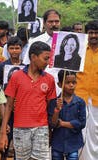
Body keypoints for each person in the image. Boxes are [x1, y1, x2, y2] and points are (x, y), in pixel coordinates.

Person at [0, 41, 57, 160]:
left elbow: (48, 106)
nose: (47, 62)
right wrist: (3, 133)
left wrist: (49, 130)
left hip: (42, 128)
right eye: (45, 58)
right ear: (33, 57)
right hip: (20, 128)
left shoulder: (49, 79)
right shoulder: (16, 77)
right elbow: (9, 106)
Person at [48, 70, 86, 160]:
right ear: (59, 84)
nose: (71, 85)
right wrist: (57, 110)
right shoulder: (54, 102)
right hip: (58, 143)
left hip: (73, 143)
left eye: (74, 82)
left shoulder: (80, 102)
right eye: (68, 83)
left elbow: (81, 123)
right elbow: (52, 124)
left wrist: (62, 124)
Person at [75, 20, 98, 160]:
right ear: (86, 34)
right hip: (80, 97)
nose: (94, 35)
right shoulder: (80, 49)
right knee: (80, 131)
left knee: (95, 132)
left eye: (96, 33)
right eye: (91, 33)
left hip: (97, 98)